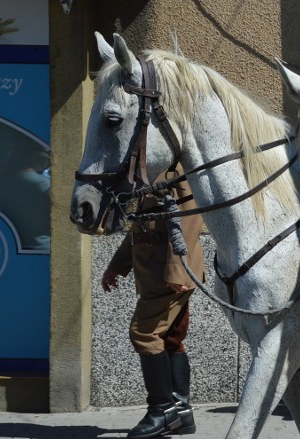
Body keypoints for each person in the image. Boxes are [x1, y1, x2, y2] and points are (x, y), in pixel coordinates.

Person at [101, 179, 204, 438]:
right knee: (170, 339)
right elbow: (139, 228)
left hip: (169, 274)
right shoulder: (153, 175)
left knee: (144, 333)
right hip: (154, 272)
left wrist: (177, 270)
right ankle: (180, 412)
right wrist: (117, 266)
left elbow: (188, 220)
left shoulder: (176, 170)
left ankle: (162, 411)